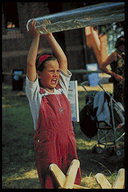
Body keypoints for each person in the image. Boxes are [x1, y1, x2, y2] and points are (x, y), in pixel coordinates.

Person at [25, 19, 81, 188]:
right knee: (51, 180)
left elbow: (63, 59)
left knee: (72, 180)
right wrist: (36, 37)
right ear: (39, 74)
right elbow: (29, 64)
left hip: (68, 142)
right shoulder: (36, 94)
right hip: (48, 146)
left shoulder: (61, 89)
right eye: (51, 71)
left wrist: (49, 35)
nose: (56, 74)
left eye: (57, 71)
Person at [99, 36, 125, 107]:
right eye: (122, 45)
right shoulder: (114, 55)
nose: (124, 47)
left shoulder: (123, 56)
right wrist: (114, 75)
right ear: (118, 45)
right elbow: (102, 66)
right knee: (119, 105)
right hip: (119, 84)